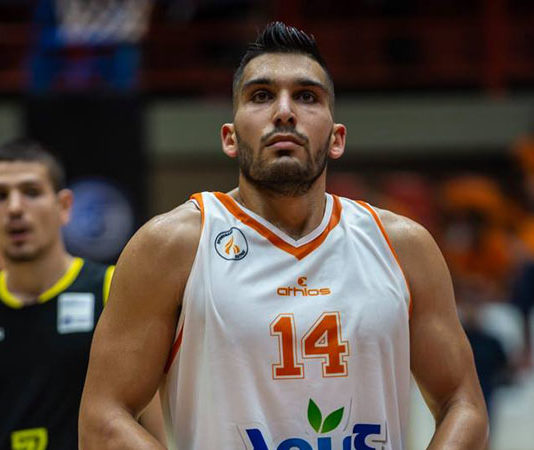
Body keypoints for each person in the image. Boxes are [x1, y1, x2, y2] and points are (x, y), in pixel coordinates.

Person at [79, 22, 489, 449]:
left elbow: (464, 404)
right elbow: (103, 417)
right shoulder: (170, 246)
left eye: (307, 96)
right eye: (261, 95)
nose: (284, 111)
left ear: (337, 139)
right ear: (230, 138)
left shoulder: (404, 247)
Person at [0, 138, 163, 449]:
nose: (15, 208)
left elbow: (154, 420)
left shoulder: (112, 287)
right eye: (2, 196)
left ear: (64, 206)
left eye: (31, 192)